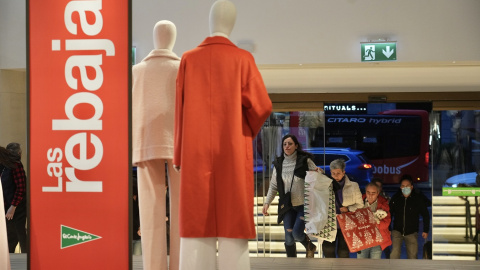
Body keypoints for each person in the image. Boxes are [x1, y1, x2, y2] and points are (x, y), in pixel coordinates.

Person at [173, 1, 272, 269]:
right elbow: (263, 106)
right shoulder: (243, 59)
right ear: (232, 24)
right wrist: (245, 131)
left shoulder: (188, 59)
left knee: (196, 226)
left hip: (195, 153)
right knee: (233, 226)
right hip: (232, 149)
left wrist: (179, 153)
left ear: (210, 22)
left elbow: (179, 112)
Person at [132, 20, 181, 270]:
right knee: (182, 211)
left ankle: (153, 267)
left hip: (145, 141)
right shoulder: (184, 67)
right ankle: (181, 265)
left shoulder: (136, 70)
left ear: (154, 38)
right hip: (179, 142)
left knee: (149, 214)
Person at [262, 135, 318, 258]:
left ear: (296, 146)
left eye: (290, 144)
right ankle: (291, 263)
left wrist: (319, 173)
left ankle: (310, 245)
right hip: (287, 205)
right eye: (284, 144)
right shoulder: (279, 163)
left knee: (297, 234)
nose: (287, 146)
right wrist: (267, 203)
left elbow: (318, 177)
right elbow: (273, 186)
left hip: (303, 204)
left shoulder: (304, 161)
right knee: (289, 237)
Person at [322, 159, 363, 258]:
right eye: (333, 173)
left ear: (343, 172)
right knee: (327, 249)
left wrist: (348, 208)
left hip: (346, 223)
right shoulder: (326, 185)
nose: (336, 176)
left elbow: (360, 205)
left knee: (343, 251)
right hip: (329, 222)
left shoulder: (353, 186)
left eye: (338, 173)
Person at [389, 174, 430, 259]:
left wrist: (426, 230)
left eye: (407, 186)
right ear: (400, 187)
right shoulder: (396, 198)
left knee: (412, 256)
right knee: (394, 253)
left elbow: (425, 214)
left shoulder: (417, 199)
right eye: (403, 186)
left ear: (411, 187)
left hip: (412, 232)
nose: (405, 188)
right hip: (397, 231)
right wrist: (389, 228)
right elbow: (389, 213)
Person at [0, 143, 27, 253]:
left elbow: (21, 188)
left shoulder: (15, 165)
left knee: (19, 233)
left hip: (16, 206)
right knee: (9, 235)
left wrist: (13, 206)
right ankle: (9, 259)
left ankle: (27, 259)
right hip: (6, 205)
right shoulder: (3, 166)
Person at [357, 183, 392, 259]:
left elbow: (386, 224)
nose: (370, 195)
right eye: (368, 192)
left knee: (374, 265)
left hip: (377, 241)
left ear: (378, 193)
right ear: (365, 191)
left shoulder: (384, 204)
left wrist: (370, 222)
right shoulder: (359, 201)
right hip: (362, 240)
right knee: (360, 265)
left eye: (373, 193)